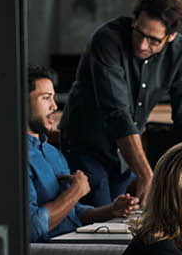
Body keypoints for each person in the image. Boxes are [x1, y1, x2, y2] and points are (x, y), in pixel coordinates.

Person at [60, 0, 182, 208]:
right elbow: (117, 113)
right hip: (86, 146)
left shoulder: (181, 52)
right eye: (139, 33)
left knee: (120, 224)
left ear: (170, 36)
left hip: (124, 154)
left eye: (153, 40)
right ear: (134, 21)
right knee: (97, 225)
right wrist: (146, 175)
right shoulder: (107, 40)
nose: (142, 45)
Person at [26, 65, 137, 242]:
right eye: (46, 98)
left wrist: (111, 210)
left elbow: (74, 212)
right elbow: (31, 228)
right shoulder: (16, 159)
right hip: (48, 254)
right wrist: (76, 191)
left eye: (53, 98)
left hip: (73, 241)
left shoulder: (53, 153)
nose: (54, 106)